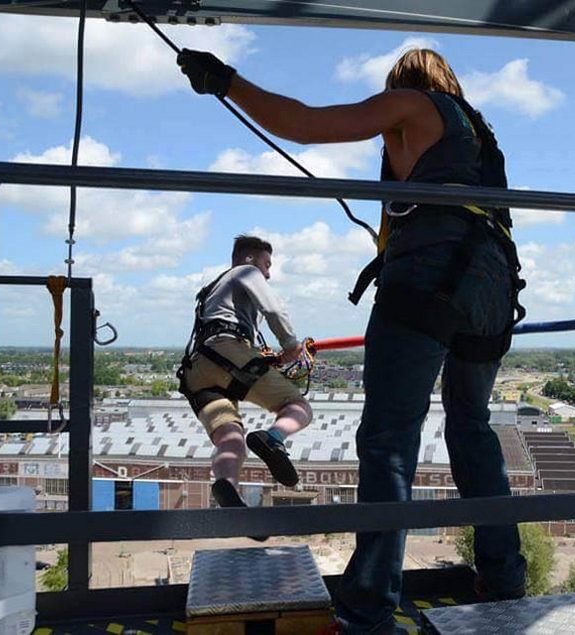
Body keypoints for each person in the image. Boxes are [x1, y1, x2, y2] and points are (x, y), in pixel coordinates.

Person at [179, 48, 527, 633]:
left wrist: (228, 83)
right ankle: (503, 578)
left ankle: (368, 608)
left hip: (429, 279)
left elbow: (305, 123)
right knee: (471, 426)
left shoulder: (414, 105)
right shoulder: (477, 132)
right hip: (491, 286)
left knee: (389, 439)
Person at [178, 234, 313, 510]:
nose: (268, 273)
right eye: (267, 264)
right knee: (297, 406)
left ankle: (226, 484)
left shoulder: (212, 290)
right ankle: (273, 439)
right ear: (250, 259)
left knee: (231, 440)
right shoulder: (247, 271)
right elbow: (273, 308)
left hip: (198, 370)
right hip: (228, 351)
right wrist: (290, 345)